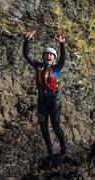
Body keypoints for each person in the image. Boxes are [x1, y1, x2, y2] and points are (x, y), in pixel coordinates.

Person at [23, 30, 67, 158]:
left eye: (51, 55)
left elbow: (63, 59)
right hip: (41, 100)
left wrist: (62, 45)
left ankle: (64, 150)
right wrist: (27, 41)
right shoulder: (38, 66)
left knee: (56, 126)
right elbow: (27, 55)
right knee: (43, 128)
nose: (48, 56)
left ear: (54, 58)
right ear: (43, 57)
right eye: (46, 55)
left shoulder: (57, 68)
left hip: (54, 100)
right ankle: (50, 152)